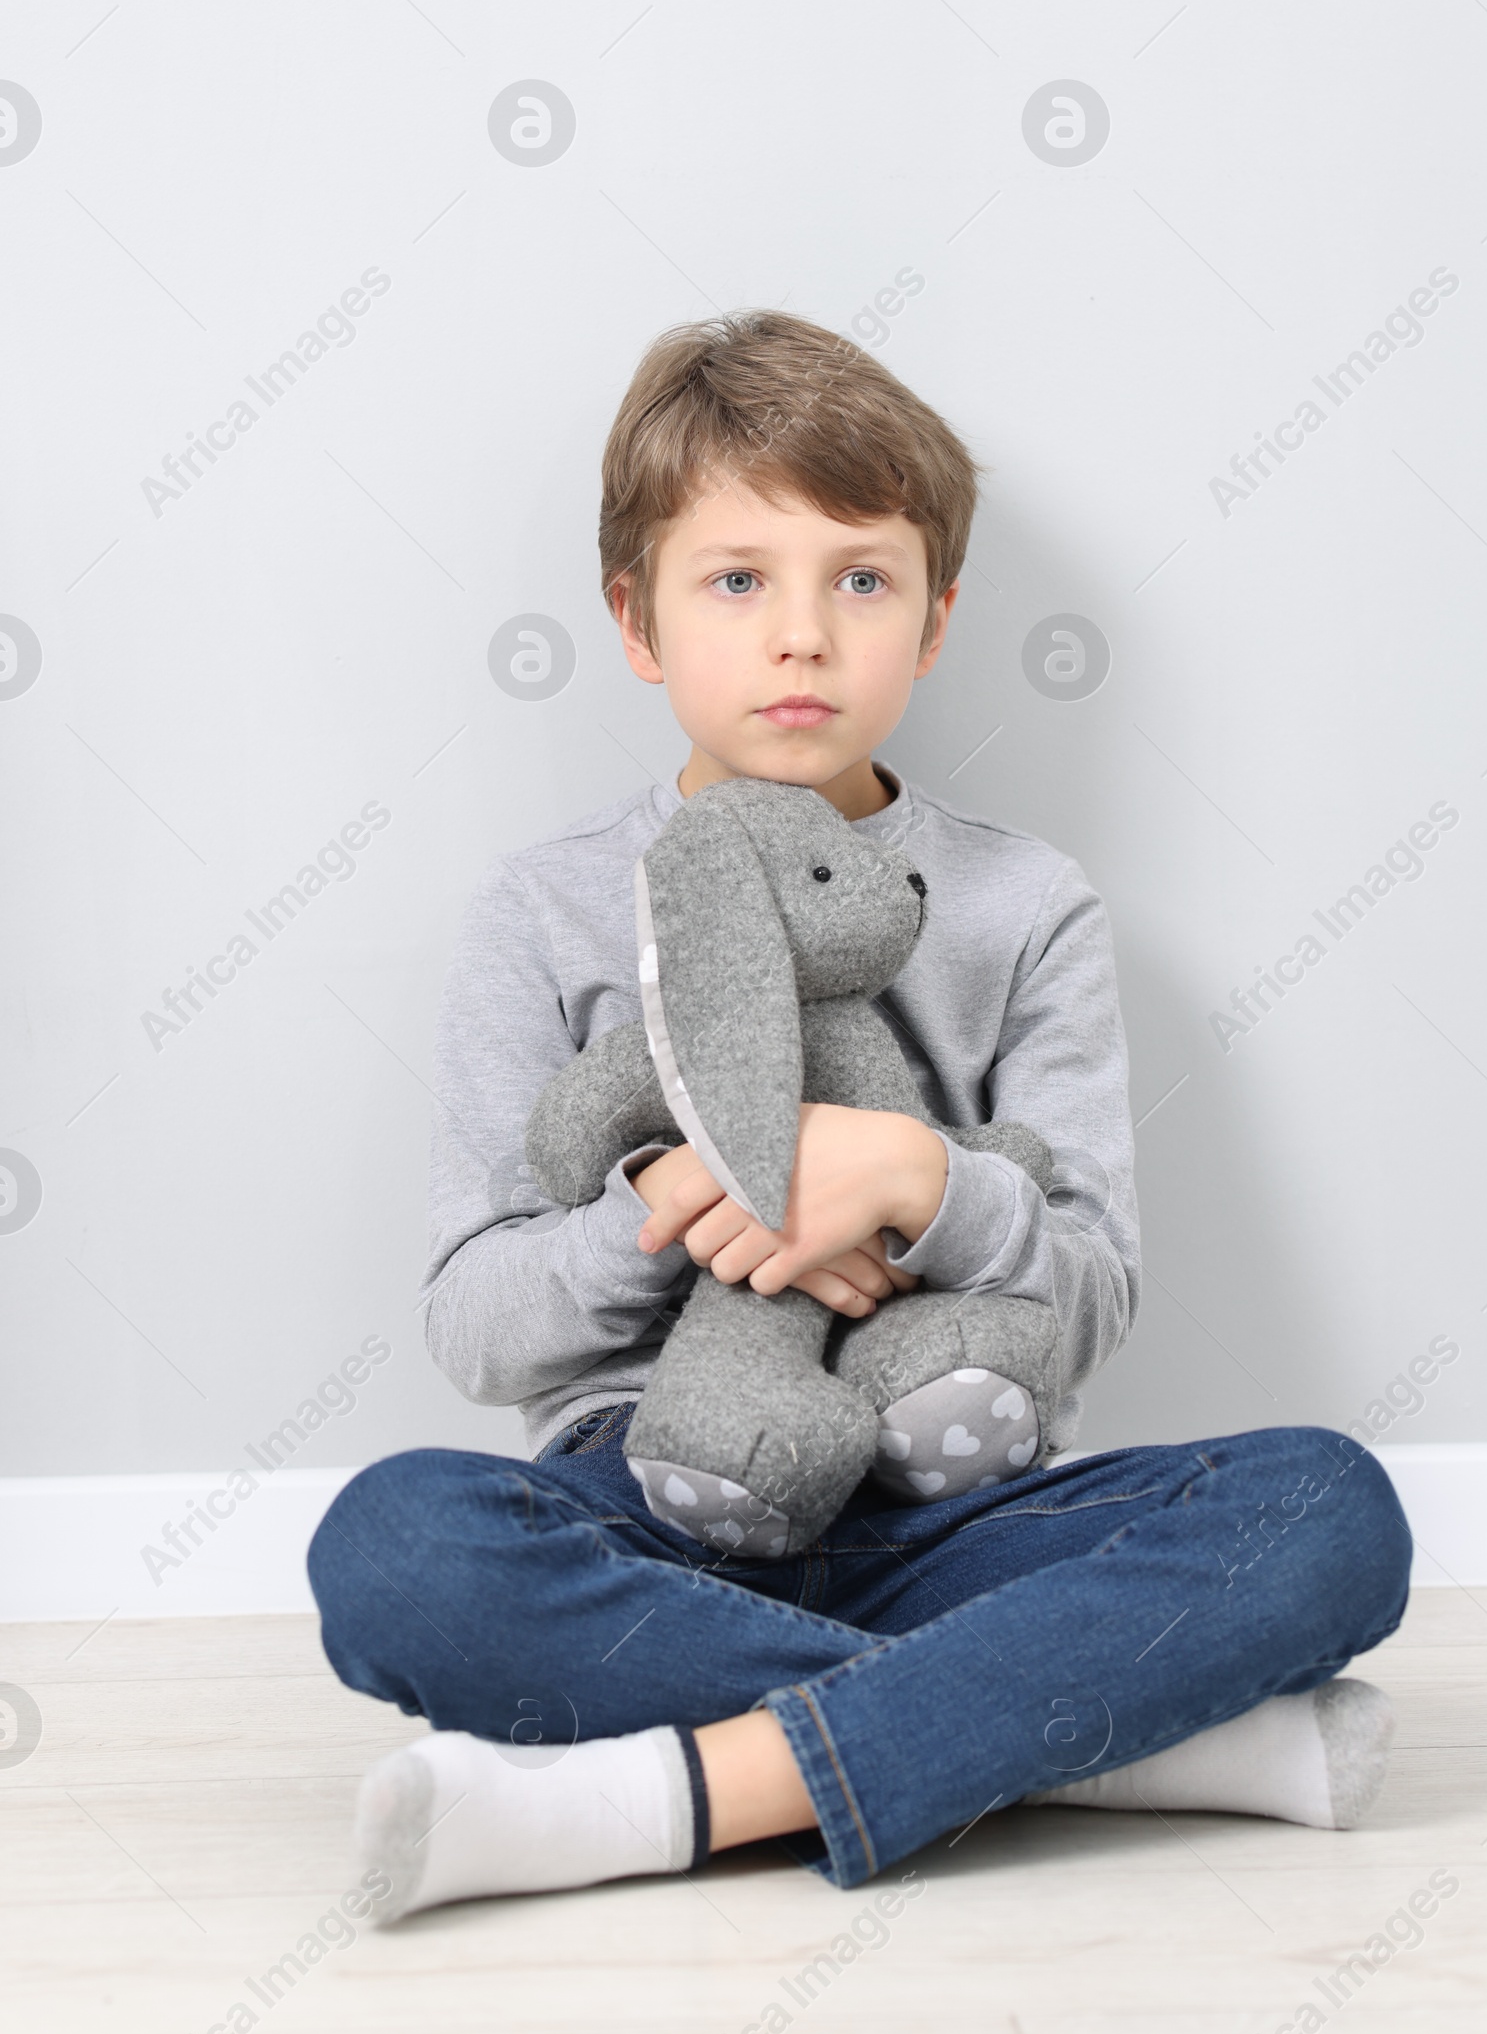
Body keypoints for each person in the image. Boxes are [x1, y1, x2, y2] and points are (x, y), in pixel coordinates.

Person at [308, 312, 1411, 1923]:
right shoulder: (539, 912)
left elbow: (1093, 1291)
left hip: (960, 1504)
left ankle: (687, 1791)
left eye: (863, 579)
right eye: (738, 579)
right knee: (397, 1551)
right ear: (637, 617)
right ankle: (1096, 1742)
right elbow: (476, 1326)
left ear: (935, 618)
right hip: (652, 1509)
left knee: (1331, 1511)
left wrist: (916, 1177)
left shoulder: (1028, 905)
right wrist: (692, 1209)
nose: (803, 636)